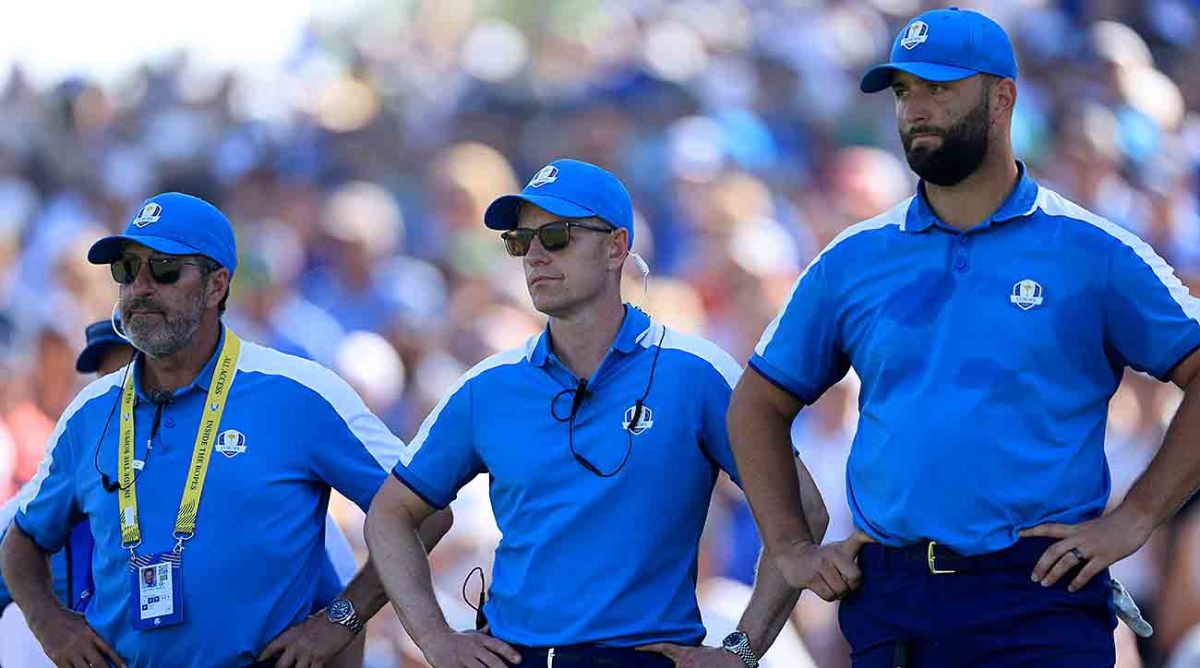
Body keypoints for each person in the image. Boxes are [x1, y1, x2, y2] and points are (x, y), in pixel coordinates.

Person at [726, 8, 1200, 667]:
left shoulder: (1095, 251)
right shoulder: (853, 258)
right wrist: (788, 545)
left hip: (1038, 594)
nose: (915, 108)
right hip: (892, 600)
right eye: (903, 91)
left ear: (1002, 97)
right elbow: (756, 402)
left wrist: (1138, 516)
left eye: (938, 88)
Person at [366, 159, 829, 668]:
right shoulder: (487, 386)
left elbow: (803, 509)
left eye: (557, 235)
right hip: (515, 655)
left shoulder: (696, 373)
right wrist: (436, 639)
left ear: (616, 247)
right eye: (521, 241)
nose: (535, 255)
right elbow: (390, 514)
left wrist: (743, 650)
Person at [1, 192, 452, 668]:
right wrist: (51, 625)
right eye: (127, 270)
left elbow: (424, 511)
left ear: (217, 285)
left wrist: (340, 620)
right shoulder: (90, 410)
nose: (141, 286)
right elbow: (21, 539)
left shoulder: (298, 393)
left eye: (165, 269)